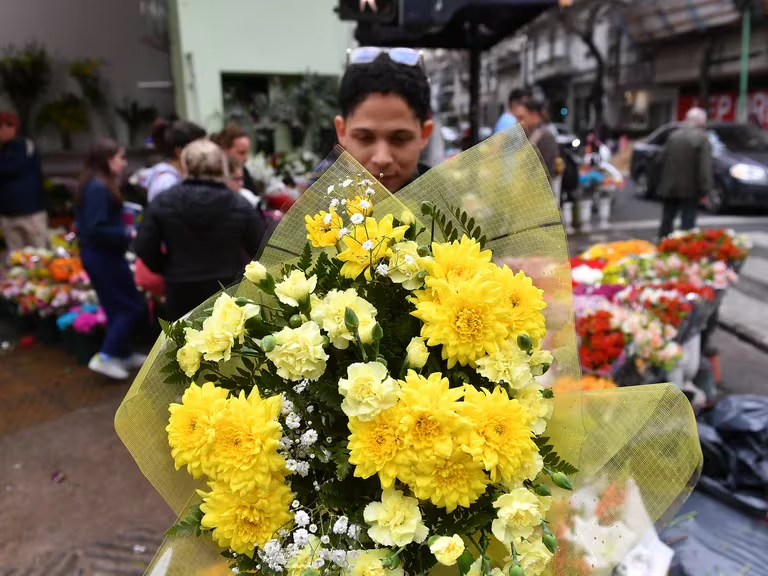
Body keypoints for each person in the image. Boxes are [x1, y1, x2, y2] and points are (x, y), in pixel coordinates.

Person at [135, 140, 266, 321]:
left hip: (181, 286)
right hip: (227, 286)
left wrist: (168, 267)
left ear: (185, 165)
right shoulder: (238, 204)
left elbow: (144, 247)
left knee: (184, 344)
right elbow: (261, 248)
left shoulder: (163, 202)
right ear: (222, 167)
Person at [75, 138, 146, 380]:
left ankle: (122, 353)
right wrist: (127, 233)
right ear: (108, 160)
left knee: (117, 305)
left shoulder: (96, 184)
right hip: (103, 255)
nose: (124, 163)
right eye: (121, 157)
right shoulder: (97, 187)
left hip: (102, 254)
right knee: (129, 304)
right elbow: (96, 228)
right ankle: (105, 355)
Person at [335, 49, 433, 193]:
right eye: (365, 138)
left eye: (399, 139)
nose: (382, 159)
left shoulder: (451, 209)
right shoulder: (316, 208)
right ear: (341, 131)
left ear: (424, 134)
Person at [657, 107, 712, 239]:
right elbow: (704, 168)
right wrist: (705, 190)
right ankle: (683, 251)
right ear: (701, 122)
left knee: (667, 221)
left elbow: (660, 160)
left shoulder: (673, 136)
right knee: (687, 224)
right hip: (690, 189)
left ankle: (663, 247)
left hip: (669, 186)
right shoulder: (702, 138)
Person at [0, 112, 48, 251]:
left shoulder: (26, 145)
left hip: (31, 214)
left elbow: (13, 167)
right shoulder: (3, 149)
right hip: (8, 215)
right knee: (16, 260)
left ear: (11, 128)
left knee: (39, 256)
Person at [142, 119, 206, 203]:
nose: (205, 152)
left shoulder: (180, 177)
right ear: (179, 152)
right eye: (199, 148)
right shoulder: (167, 182)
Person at [516, 99, 560, 181]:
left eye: (521, 117)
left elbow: (547, 170)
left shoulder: (545, 136)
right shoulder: (528, 133)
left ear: (534, 115)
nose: (517, 122)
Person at [212, 124, 258, 194]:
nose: (246, 158)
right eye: (241, 153)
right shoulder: (211, 175)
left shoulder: (244, 171)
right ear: (225, 150)